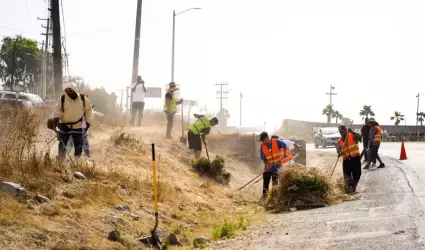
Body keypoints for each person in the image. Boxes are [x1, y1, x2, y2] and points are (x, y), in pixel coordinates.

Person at [54, 82, 92, 162]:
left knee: (79, 144)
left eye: (71, 92)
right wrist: (56, 118)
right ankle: (60, 161)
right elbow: (57, 110)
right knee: (62, 144)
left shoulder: (83, 99)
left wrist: (88, 121)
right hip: (64, 125)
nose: (69, 94)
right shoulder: (63, 98)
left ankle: (77, 161)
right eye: (67, 92)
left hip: (77, 125)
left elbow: (88, 110)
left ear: (75, 91)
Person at [259, 132, 288, 199]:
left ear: (266, 138)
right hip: (268, 167)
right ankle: (264, 196)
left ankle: (274, 197)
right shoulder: (262, 146)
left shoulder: (276, 142)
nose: (262, 142)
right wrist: (266, 165)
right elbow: (263, 157)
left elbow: (284, 146)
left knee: (275, 182)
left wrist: (285, 153)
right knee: (265, 181)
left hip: (277, 167)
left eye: (263, 140)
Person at [336, 125, 362, 194]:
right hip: (346, 160)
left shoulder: (352, 135)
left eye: (342, 131)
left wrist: (352, 132)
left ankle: (353, 186)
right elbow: (338, 151)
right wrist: (339, 152)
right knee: (346, 175)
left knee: (357, 174)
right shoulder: (339, 141)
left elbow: (360, 138)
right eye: (340, 131)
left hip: (355, 158)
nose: (341, 132)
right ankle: (349, 188)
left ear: (346, 130)